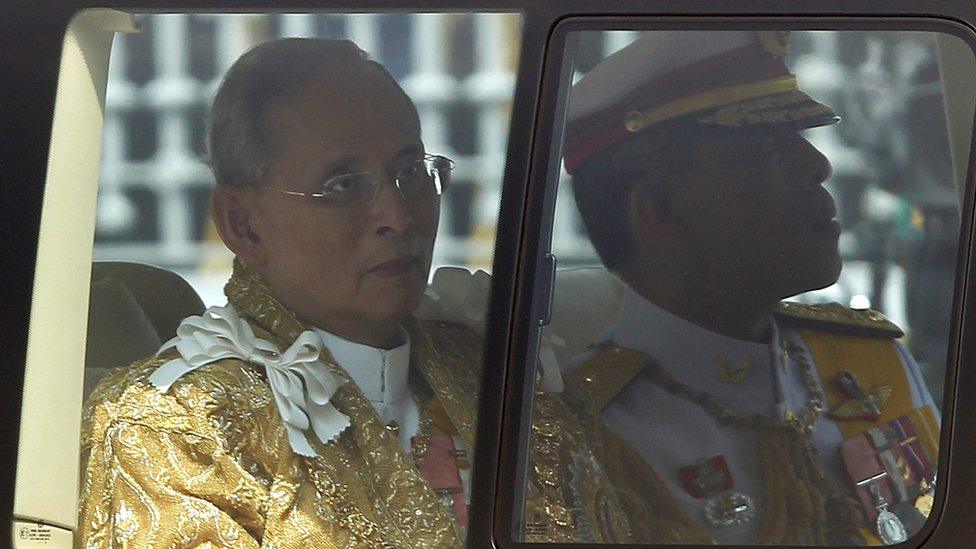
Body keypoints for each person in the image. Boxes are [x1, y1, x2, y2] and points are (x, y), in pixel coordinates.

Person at [76, 38, 631, 546]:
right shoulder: (174, 429)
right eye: (341, 185)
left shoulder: (499, 377)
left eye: (411, 170)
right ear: (242, 223)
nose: (398, 214)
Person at [560, 31, 941, 545]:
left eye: (799, 140)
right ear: (662, 211)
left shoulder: (874, 360)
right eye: (767, 150)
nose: (817, 165)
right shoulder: (585, 431)